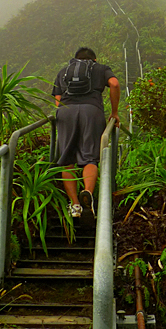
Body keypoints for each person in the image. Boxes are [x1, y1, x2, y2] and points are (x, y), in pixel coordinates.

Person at [52, 47, 120, 222]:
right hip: (92, 112)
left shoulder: (63, 71)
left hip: (66, 112)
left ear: (75, 60)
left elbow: (57, 99)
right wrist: (114, 113)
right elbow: (114, 84)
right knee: (90, 157)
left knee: (67, 159)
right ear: (94, 60)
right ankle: (88, 192)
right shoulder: (101, 68)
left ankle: (75, 205)